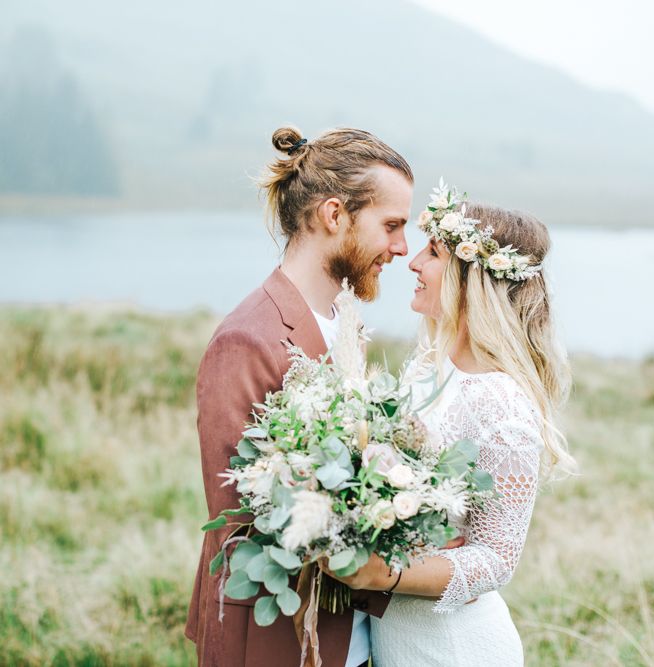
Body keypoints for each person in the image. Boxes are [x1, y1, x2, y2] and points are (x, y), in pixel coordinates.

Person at [184, 125, 414, 667]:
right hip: (271, 639)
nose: (402, 248)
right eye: (392, 226)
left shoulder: (345, 323)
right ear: (335, 216)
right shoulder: (247, 339)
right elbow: (238, 518)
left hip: (351, 637)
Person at [321, 187, 577, 666]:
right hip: (396, 636)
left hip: (453, 647)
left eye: (433, 253)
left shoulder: (501, 404)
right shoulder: (428, 369)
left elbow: (496, 558)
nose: (413, 263)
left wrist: (380, 573)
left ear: (472, 276)